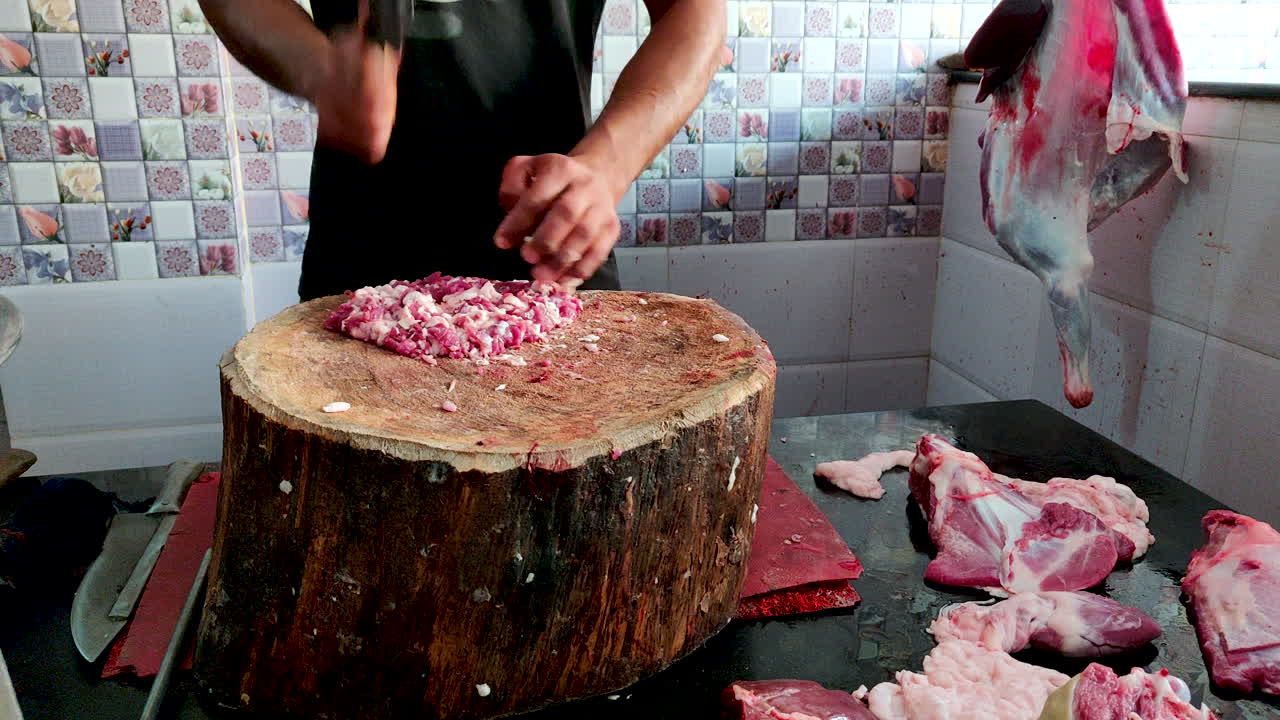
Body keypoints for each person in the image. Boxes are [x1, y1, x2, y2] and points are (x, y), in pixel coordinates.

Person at [200, 0, 726, 300]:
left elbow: (694, 9)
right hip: (362, 255)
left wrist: (605, 167)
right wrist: (315, 67)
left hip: (552, 243)